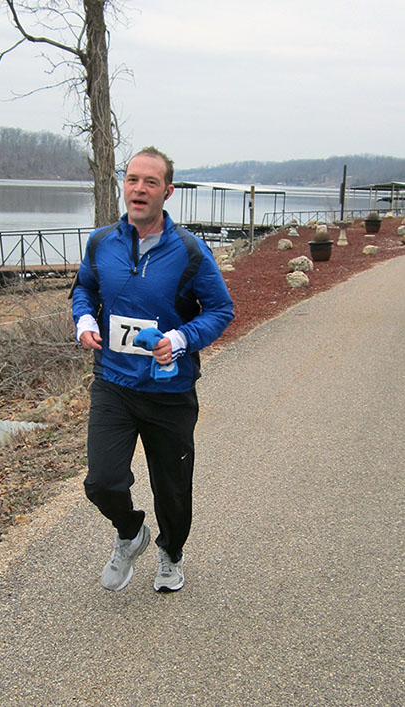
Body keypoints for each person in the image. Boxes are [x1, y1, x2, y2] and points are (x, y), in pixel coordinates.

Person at [71, 146, 234, 592]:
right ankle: (130, 533)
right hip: (114, 383)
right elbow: (84, 288)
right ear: (123, 185)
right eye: (132, 179)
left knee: (173, 491)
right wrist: (84, 320)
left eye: (150, 182)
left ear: (167, 191)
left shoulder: (190, 251)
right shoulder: (101, 242)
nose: (139, 189)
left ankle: (171, 552)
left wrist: (179, 340)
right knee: (103, 482)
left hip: (169, 392)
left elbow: (220, 310)